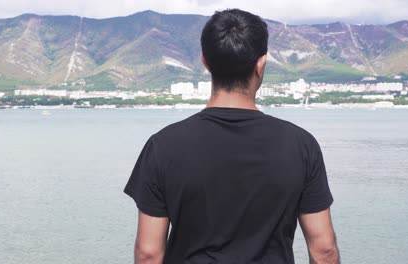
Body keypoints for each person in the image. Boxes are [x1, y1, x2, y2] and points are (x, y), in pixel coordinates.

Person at [124, 8, 339, 264]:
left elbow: (148, 254)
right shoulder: (301, 145)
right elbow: (324, 250)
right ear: (261, 64)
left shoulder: (162, 146)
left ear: (205, 63)